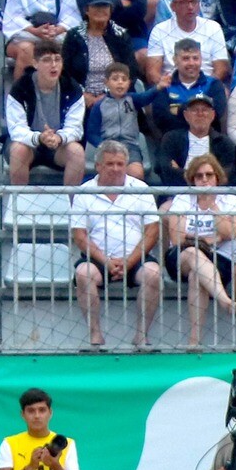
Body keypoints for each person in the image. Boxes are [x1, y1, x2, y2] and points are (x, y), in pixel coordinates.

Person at [71, 141, 165, 346]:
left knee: (153, 274)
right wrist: (106, 261)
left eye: (120, 164)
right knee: (83, 274)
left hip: (135, 257)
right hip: (97, 258)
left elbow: (153, 230)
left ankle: (141, 335)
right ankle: (95, 335)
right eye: (110, 164)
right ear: (98, 166)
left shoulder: (141, 188)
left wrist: (129, 262)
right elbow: (79, 235)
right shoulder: (84, 191)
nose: (115, 169)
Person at [163, 154, 236, 345]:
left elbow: (231, 232)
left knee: (197, 276)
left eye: (209, 175)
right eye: (199, 176)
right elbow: (177, 238)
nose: (204, 180)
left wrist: (213, 206)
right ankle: (224, 300)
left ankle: (194, 340)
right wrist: (212, 239)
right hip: (181, 256)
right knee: (193, 252)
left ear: (217, 177)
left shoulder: (230, 200)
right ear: (192, 179)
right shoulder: (182, 199)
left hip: (220, 258)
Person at [6, 40, 88, 184]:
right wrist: (39, 138)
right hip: (28, 144)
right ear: (35, 63)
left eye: (57, 59)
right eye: (47, 60)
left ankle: (72, 204)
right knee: (18, 150)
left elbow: (75, 128)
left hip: (58, 145)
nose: (54, 65)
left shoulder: (72, 88)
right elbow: (16, 129)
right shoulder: (20, 88)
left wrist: (59, 138)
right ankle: (18, 204)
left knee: (77, 152)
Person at [0, 388, 82, 470]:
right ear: (23, 414)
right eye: (31, 411)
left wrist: (55, 466)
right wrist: (29, 468)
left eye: (42, 410)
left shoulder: (66, 443)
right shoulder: (9, 443)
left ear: (50, 413)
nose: (37, 416)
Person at [146, 39, 232, 137]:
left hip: (209, 140)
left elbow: (216, 115)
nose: (191, 63)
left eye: (195, 58)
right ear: (175, 60)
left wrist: (178, 111)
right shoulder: (164, 86)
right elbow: (161, 119)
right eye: (186, 58)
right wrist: (199, 114)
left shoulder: (214, 84)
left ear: (201, 60)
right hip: (174, 142)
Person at [154, 93, 236, 186]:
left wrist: (181, 172)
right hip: (178, 193)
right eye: (194, 110)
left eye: (204, 110)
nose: (200, 114)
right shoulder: (171, 139)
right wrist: (207, 177)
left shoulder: (224, 142)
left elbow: (223, 177)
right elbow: (166, 173)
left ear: (212, 115)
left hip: (214, 194)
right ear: (186, 115)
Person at [83, 62, 151, 178]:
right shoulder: (99, 106)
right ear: (106, 82)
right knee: (110, 174)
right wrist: (103, 145)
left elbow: (146, 97)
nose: (120, 82)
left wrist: (159, 87)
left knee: (137, 173)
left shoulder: (133, 99)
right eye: (115, 79)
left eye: (124, 79)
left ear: (129, 83)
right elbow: (91, 133)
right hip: (107, 146)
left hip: (130, 146)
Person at [143, 0, 228, 83]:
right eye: (184, 2)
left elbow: (221, 69)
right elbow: (152, 72)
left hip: (206, 86)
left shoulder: (213, 28)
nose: (190, 7)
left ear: (199, 5)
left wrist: (204, 87)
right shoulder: (159, 30)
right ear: (173, 6)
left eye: (193, 2)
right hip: (171, 88)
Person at [64, 0, 136, 90]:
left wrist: (106, 95)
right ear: (86, 10)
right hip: (80, 96)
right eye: (96, 6)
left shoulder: (120, 35)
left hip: (114, 95)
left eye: (105, 6)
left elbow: (131, 72)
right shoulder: (74, 36)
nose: (100, 10)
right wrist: (82, 95)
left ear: (111, 10)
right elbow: (65, 72)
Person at [2, 0, 83, 78]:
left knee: (68, 46)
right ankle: (21, 90)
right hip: (24, 36)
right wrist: (34, 31)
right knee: (26, 49)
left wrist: (55, 31)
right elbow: (13, 18)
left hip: (57, 35)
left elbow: (72, 17)